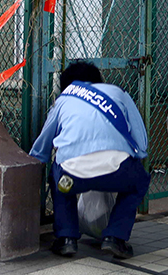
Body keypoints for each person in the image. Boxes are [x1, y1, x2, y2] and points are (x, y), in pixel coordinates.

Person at [30, 61, 150, 260]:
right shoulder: (118, 93)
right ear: (98, 79)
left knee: (57, 176)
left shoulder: (64, 99)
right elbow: (141, 142)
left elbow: (42, 146)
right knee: (140, 181)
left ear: (68, 85)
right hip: (118, 173)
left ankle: (66, 238)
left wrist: (37, 161)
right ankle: (115, 237)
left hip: (71, 177)